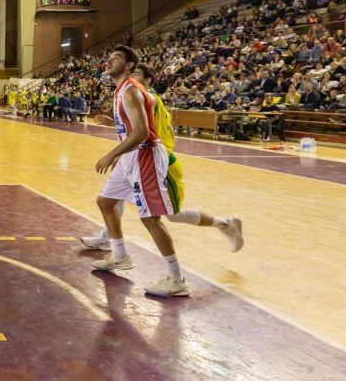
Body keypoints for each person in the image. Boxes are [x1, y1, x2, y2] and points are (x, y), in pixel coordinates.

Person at [81, 63, 243, 256]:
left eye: (137, 75)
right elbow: (134, 127)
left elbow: (142, 126)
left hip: (161, 163)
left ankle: (225, 224)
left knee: (172, 215)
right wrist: (113, 124)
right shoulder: (135, 98)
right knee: (112, 198)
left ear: (148, 81)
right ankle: (107, 238)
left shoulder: (150, 97)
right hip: (140, 158)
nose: (131, 78)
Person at [90, 46, 189, 297]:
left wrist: (113, 153)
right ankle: (120, 255)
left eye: (117, 58)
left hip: (145, 154)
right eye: (109, 56)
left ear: (129, 66)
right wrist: (121, 151)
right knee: (105, 202)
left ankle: (177, 280)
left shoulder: (132, 90)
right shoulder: (120, 90)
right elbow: (131, 128)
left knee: (150, 217)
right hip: (131, 156)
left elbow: (142, 131)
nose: (110, 60)